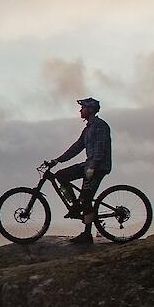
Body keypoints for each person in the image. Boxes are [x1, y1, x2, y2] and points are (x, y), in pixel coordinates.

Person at [45, 97, 112, 244]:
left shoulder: (100, 126)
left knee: (87, 197)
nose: (80, 110)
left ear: (90, 109)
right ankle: (76, 205)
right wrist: (58, 160)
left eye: (83, 108)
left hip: (97, 167)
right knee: (61, 175)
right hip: (89, 165)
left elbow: (100, 149)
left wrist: (92, 169)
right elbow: (76, 147)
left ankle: (87, 234)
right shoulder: (88, 128)